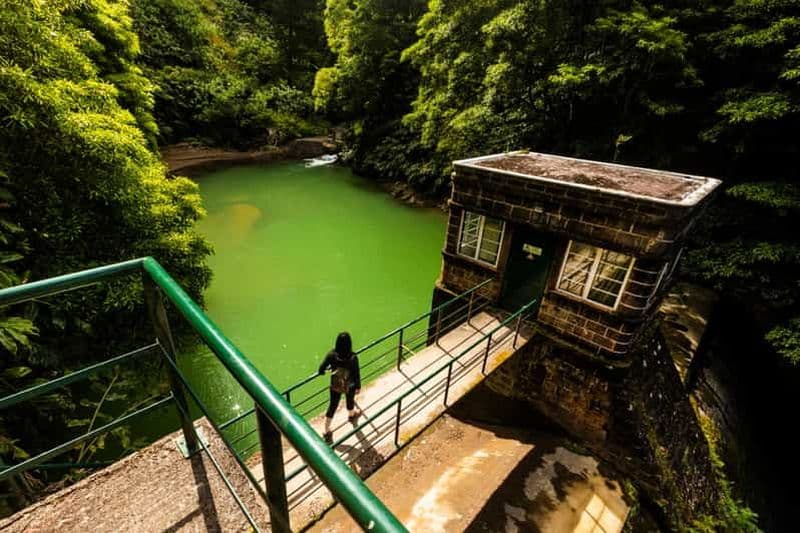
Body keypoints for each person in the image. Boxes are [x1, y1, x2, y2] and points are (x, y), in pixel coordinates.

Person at [318, 332, 362, 444]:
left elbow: (321, 369)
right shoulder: (353, 357)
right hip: (349, 385)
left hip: (336, 385)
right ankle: (351, 415)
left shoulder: (332, 355)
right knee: (350, 400)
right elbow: (356, 373)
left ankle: (326, 430)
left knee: (333, 405)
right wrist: (358, 386)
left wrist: (325, 371)